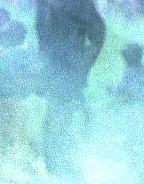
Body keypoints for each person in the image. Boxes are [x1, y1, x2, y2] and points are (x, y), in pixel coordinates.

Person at [36, 0, 105, 175]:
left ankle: (68, 172)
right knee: (55, 121)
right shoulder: (43, 5)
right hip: (52, 73)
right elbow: (43, 40)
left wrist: (83, 64)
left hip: (69, 73)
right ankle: (61, 170)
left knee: (59, 122)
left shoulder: (78, 3)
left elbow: (98, 33)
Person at [0, 21, 36, 155]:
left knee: (8, 139)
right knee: (18, 137)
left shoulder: (8, 54)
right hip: (19, 100)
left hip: (8, 101)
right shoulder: (30, 51)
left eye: (6, 34)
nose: (3, 38)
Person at [115, 42, 144, 157]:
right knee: (142, 135)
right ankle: (143, 156)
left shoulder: (129, 71)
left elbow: (123, 89)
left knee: (133, 134)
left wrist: (112, 91)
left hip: (135, 107)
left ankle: (135, 158)